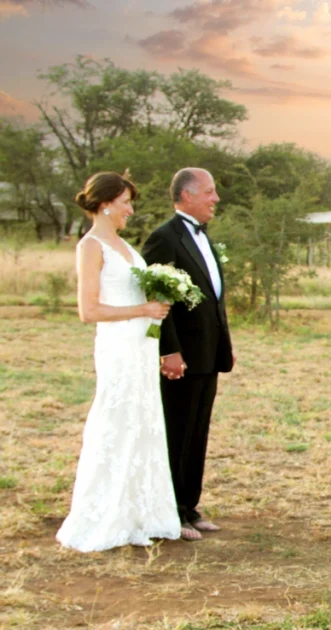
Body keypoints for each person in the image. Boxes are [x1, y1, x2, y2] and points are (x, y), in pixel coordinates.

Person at [56, 172, 181, 551]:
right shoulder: (91, 246)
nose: (131, 209)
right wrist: (142, 307)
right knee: (116, 419)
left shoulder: (125, 245)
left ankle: (140, 513)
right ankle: (104, 515)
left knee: (142, 421)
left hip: (141, 346)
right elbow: (88, 309)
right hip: (118, 347)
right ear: (106, 203)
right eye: (126, 202)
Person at [142, 168, 235, 541]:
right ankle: (171, 511)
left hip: (209, 353)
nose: (216, 199)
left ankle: (190, 506)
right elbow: (155, 299)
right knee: (176, 432)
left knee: (198, 432)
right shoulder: (164, 239)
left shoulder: (205, 238)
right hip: (181, 357)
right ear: (187, 195)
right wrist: (169, 351)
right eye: (209, 192)